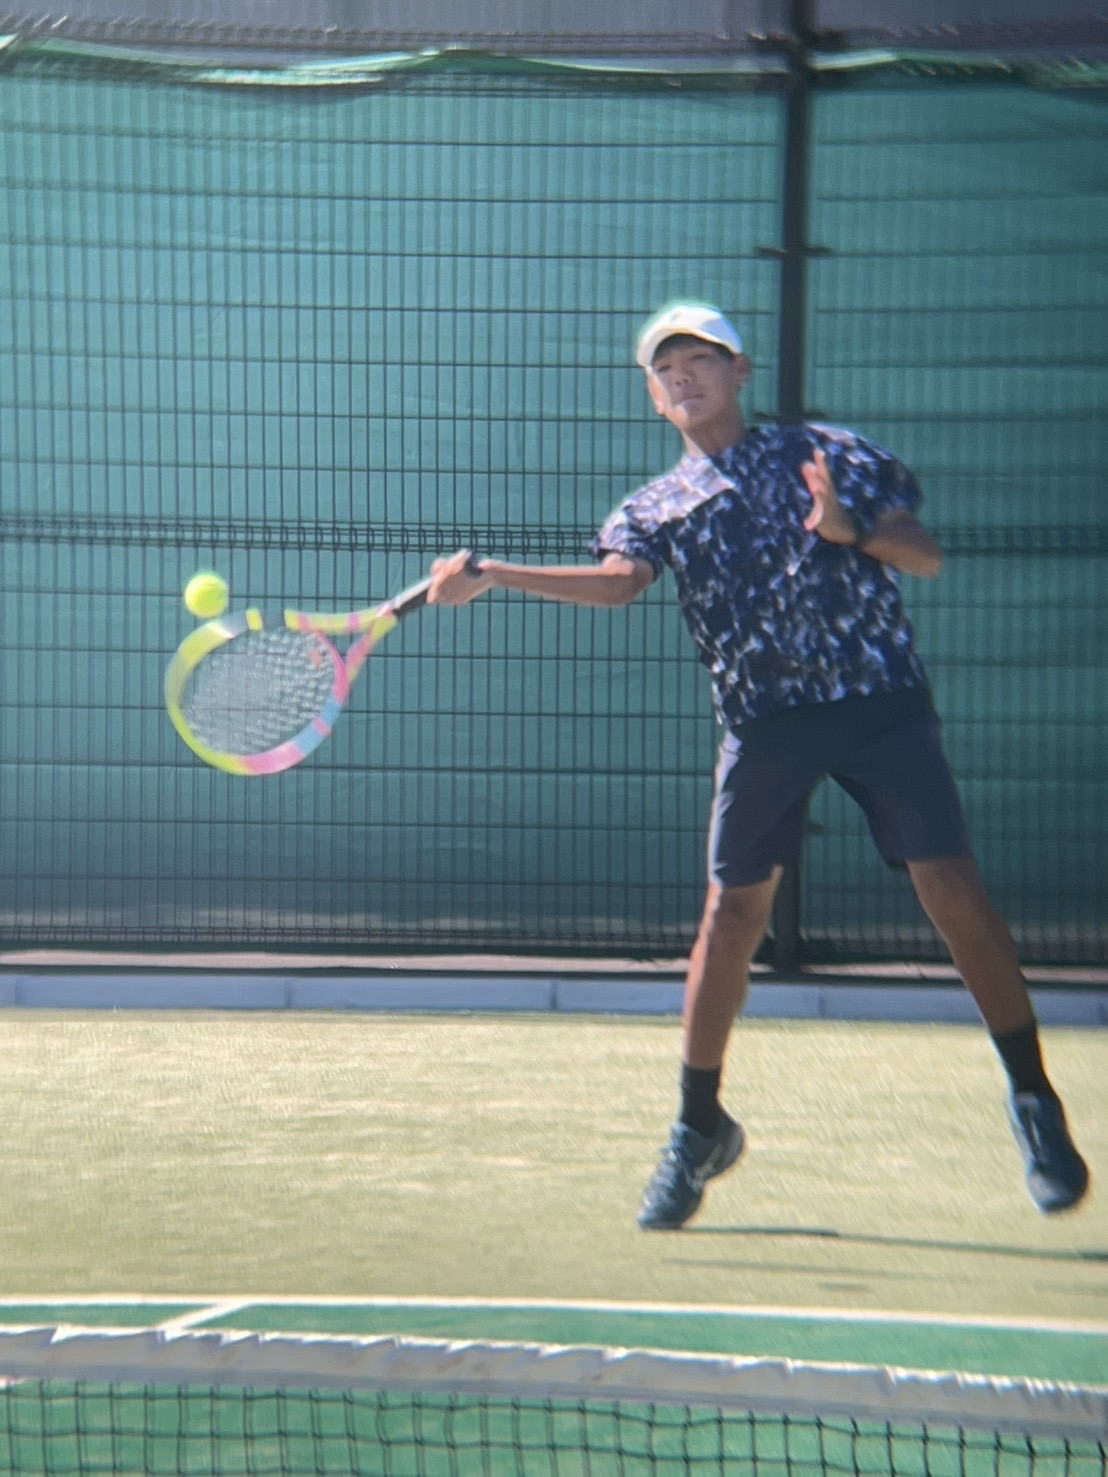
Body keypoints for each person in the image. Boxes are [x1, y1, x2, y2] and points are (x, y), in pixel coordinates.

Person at [427, 300, 1090, 1230]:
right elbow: (619, 584)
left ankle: (1033, 1097)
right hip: (765, 723)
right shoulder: (655, 506)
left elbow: (925, 556)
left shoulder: (827, 453)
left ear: (740, 372)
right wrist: (497, 574)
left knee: (953, 890)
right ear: (655, 398)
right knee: (731, 915)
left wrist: (850, 529)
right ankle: (699, 1126)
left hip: (879, 703)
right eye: (667, 368)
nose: (683, 375)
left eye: (701, 358)